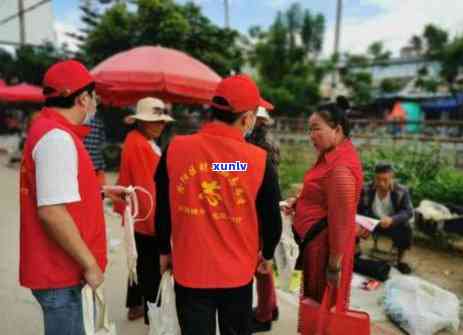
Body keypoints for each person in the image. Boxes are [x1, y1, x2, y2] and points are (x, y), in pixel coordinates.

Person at [155, 74, 282, 335]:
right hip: (237, 275)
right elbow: (272, 219)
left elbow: (164, 206)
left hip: (190, 270)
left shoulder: (176, 148)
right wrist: (267, 254)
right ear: (246, 119)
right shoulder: (256, 161)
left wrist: (163, 250)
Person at [19, 60, 120, 335]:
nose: (96, 104)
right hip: (60, 272)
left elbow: (59, 190)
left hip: (59, 269)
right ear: (83, 98)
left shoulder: (51, 130)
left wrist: (99, 192)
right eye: (94, 97)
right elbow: (52, 211)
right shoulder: (57, 138)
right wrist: (90, 265)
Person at [282, 101, 363, 330]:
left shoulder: (340, 167)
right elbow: (323, 198)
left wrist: (334, 265)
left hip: (323, 249)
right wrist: (300, 203)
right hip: (315, 244)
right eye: (309, 129)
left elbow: (340, 220)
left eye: (315, 128)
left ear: (337, 130)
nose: (310, 135)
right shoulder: (329, 156)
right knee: (315, 302)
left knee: (321, 304)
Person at [113, 97, 174, 324]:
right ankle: (152, 316)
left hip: (139, 214)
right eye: (154, 121)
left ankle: (136, 305)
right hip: (147, 215)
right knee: (150, 268)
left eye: (161, 121)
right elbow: (147, 186)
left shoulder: (138, 140)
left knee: (139, 262)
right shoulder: (140, 145)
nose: (160, 125)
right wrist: (159, 221)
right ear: (141, 122)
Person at [246, 106, 280, 333]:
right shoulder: (261, 139)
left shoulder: (259, 145)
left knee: (261, 264)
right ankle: (271, 306)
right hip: (265, 204)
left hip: (258, 208)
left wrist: (215, 166)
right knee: (263, 263)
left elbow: (243, 167)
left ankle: (264, 314)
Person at [357, 162, 413, 274]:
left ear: (392, 178)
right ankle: (356, 252)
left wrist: (393, 219)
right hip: (372, 221)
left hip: (391, 223)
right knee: (352, 222)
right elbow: (358, 208)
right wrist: (361, 221)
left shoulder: (401, 191)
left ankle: (400, 261)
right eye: (378, 179)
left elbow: (408, 211)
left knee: (406, 228)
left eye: (385, 180)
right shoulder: (366, 189)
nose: (381, 183)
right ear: (374, 177)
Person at [84, 112, 107, 186]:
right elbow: (102, 140)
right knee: (98, 190)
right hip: (97, 162)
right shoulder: (99, 122)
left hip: (84, 161)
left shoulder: (80, 122)